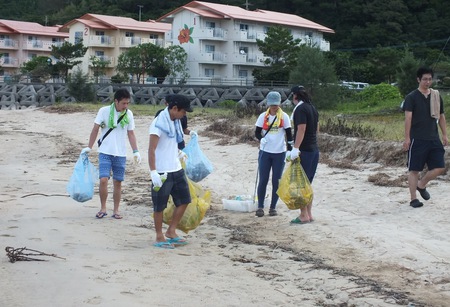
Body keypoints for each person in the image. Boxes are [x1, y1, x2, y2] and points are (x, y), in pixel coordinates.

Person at [82, 88, 141, 219]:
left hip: (120, 153)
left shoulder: (128, 114)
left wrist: (135, 151)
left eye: (127, 103)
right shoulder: (104, 111)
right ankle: (103, 208)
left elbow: (131, 133)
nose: (125, 106)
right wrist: (89, 147)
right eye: (123, 103)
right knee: (103, 179)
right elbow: (95, 129)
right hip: (105, 151)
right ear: (116, 101)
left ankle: (116, 210)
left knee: (118, 182)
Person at [148, 94, 193, 249]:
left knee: (185, 200)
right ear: (174, 108)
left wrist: (179, 152)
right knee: (159, 205)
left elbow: (173, 141)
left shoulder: (176, 122)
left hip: (176, 168)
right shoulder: (158, 124)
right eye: (184, 112)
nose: (184, 115)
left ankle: (171, 231)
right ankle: (159, 236)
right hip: (162, 170)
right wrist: (153, 171)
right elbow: (151, 149)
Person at [402, 67, 448, 208]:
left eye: (429, 79)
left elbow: (441, 116)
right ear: (418, 80)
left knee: (440, 167)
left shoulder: (436, 95)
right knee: (414, 169)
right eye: (425, 79)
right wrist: (407, 138)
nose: (427, 82)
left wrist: (445, 134)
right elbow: (408, 118)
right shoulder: (411, 97)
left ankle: (421, 185)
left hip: (433, 138)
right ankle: (413, 199)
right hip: (417, 138)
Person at [254, 91, 292, 217]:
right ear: (268, 104)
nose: (274, 107)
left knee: (277, 180)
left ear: (279, 103)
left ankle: (273, 207)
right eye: (272, 105)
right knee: (263, 179)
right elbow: (257, 132)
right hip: (265, 152)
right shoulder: (262, 117)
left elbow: (289, 134)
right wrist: (261, 139)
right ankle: (260, 206)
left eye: (276, 104)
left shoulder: (284, 117)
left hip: (279, 153)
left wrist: (290, 150)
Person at [288, 85, 319, 224]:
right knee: (308, 183)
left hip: (304, 150)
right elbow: (317, 128)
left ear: (295, 96)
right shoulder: (312, 107)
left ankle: (303, 215)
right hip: (314, 149)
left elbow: (301, 128)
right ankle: (310, 214)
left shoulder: (300, 109)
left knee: (300, 183)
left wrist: (296, 148)